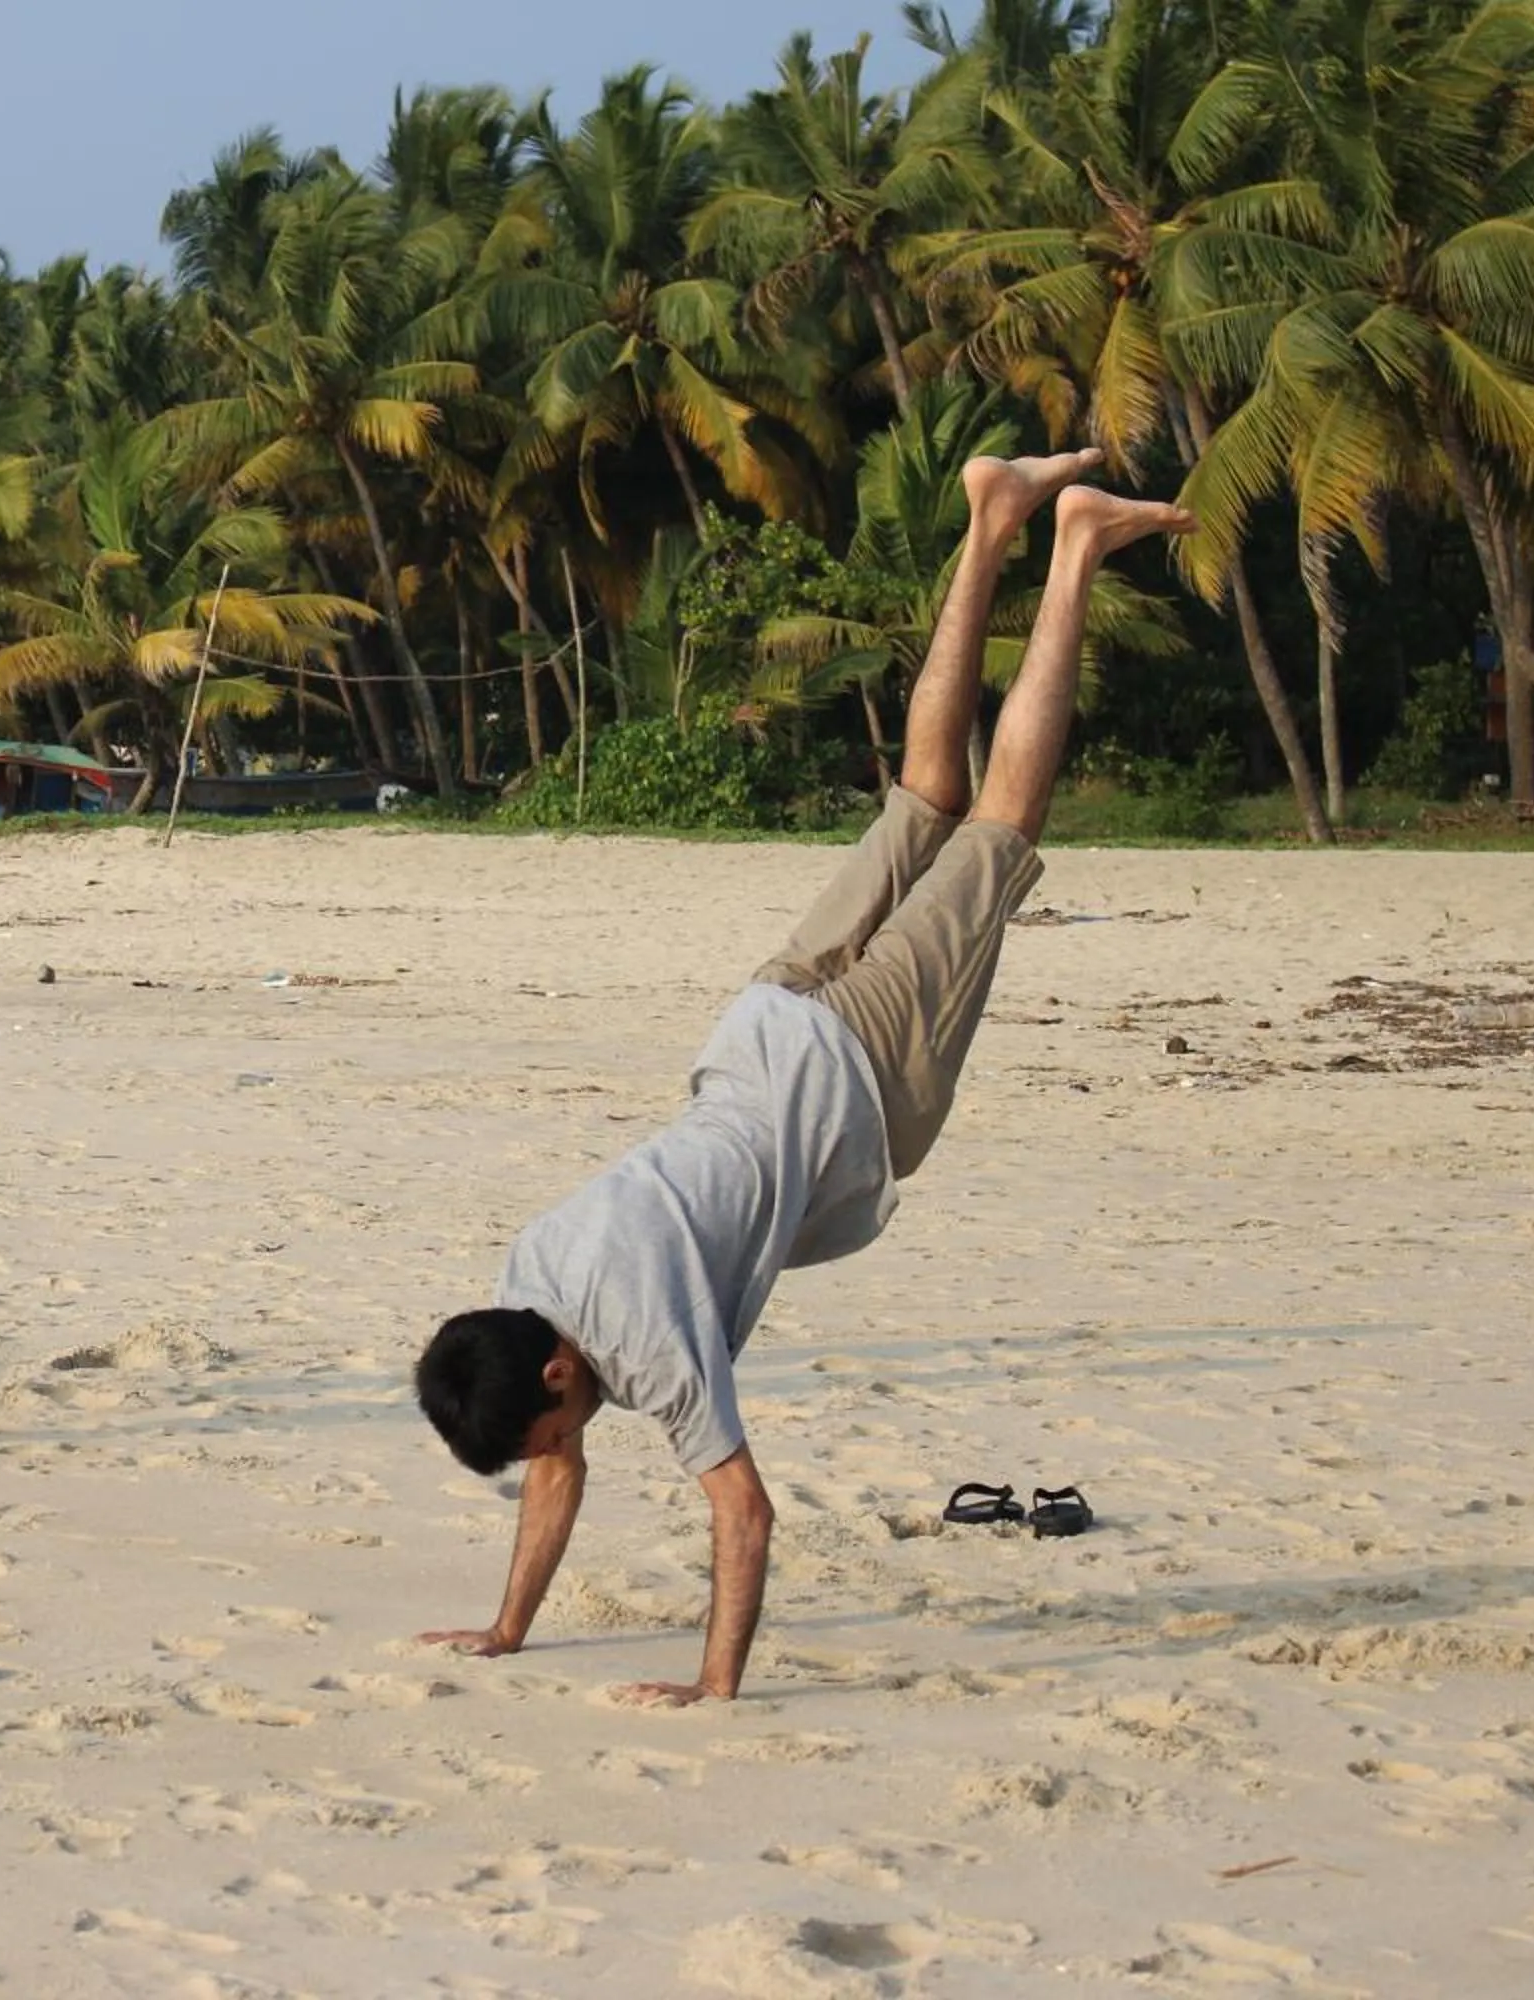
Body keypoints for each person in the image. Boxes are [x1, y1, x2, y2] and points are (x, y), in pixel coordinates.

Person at [413, 455, 1191, 1703]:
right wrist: (506, 1630)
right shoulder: (527, 1279)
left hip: (855, 1073)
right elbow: (555, 1466)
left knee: (999, 827)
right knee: (926, 795)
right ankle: (991, 512)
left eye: (553, 1427)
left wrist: (714, 1688)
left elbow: (746, 1512)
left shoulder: (645, 1344)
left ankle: (1075, 549)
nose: (558, 1448)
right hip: (759, 1022)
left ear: (558, 1374)